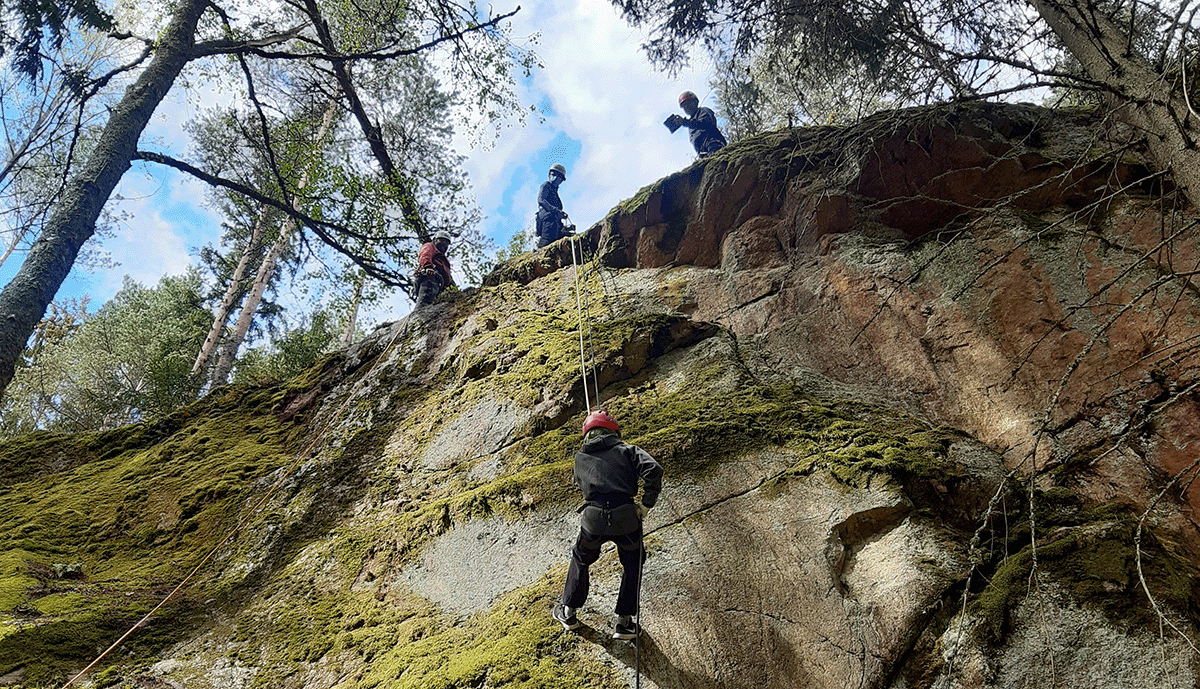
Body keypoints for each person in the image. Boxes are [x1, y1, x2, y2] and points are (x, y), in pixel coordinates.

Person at [552, 410, 663, 640]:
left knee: (581, 558)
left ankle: (568, 611)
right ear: (614, 431)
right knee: (633, 561)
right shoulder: (628, 450)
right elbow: (654, 469)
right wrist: (645, 504)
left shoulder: (580, 457)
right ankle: (624, 622)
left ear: (587, 434)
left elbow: (580, 483)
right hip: (625, 516)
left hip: (594, 518)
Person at [667, 91, 726, 158]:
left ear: (695, 102)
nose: (686, 107)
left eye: (688, 103)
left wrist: (684, 122)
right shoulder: (690, 126)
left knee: (718, 161)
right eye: (684, 106)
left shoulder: (703, 111)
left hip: (713, 145)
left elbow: (706, 123)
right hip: (703, 154)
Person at [413, 233, 455, 306]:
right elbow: (425, 254)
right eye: (442, 240)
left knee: (431, 305)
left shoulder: (441, 258)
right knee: (425, 302)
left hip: (438, 285)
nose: (444, 244)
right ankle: (419, 316)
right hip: (430, 278)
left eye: (447, 243)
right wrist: (428, 266)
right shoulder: (430, 246)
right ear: (435, 240)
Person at [536, 164, 572, 248]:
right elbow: (541, 200)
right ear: (549, 175)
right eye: (553, 174)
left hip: (555, 223)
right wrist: (556, 211)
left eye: (558, 177)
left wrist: (566, 229)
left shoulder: (556, 197)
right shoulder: (546, 185)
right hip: (547, 219)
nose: (555, 178)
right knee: (546, 242)